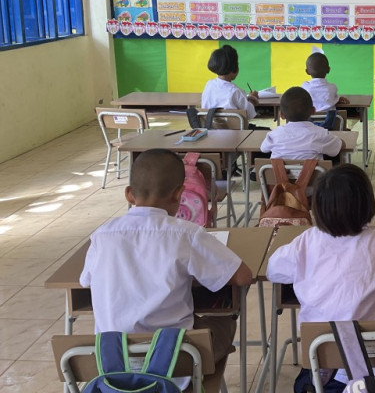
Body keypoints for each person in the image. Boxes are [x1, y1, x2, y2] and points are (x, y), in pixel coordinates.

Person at [267, 164, 375, 393]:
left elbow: (273, 269)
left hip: (320, 353)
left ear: (317, 208)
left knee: (326, 334)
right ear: (367, 204)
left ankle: (330, 369)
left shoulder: (306, 242)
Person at [80, 149, 253, 363]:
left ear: (129, 194)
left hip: (114, 360)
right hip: (174, 361)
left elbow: (86, 281)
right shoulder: (186, 234)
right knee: (224, 319)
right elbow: (243, 276)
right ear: (179, 193)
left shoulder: (102, 235)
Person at [259, 86, 343, 159]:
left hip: (277, 173)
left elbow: (263, 149)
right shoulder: (321, 134)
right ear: (313, 111)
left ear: (281, 115)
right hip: (313, 173)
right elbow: (338, 146)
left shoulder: (274, 135)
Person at [201, 44, 257, 120]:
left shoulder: (209, 85)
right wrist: (252, 100)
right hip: (236, 128)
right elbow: (250, 114)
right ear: (235, 68)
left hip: (211, 126)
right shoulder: (236, 91)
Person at [301, 52, 349, 128]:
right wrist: (339, 98)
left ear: (307, 71)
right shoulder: (332, 87)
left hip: (309, 127)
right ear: (328, 69)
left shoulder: (305, 87)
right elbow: (335, 99)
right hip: (332, 127)